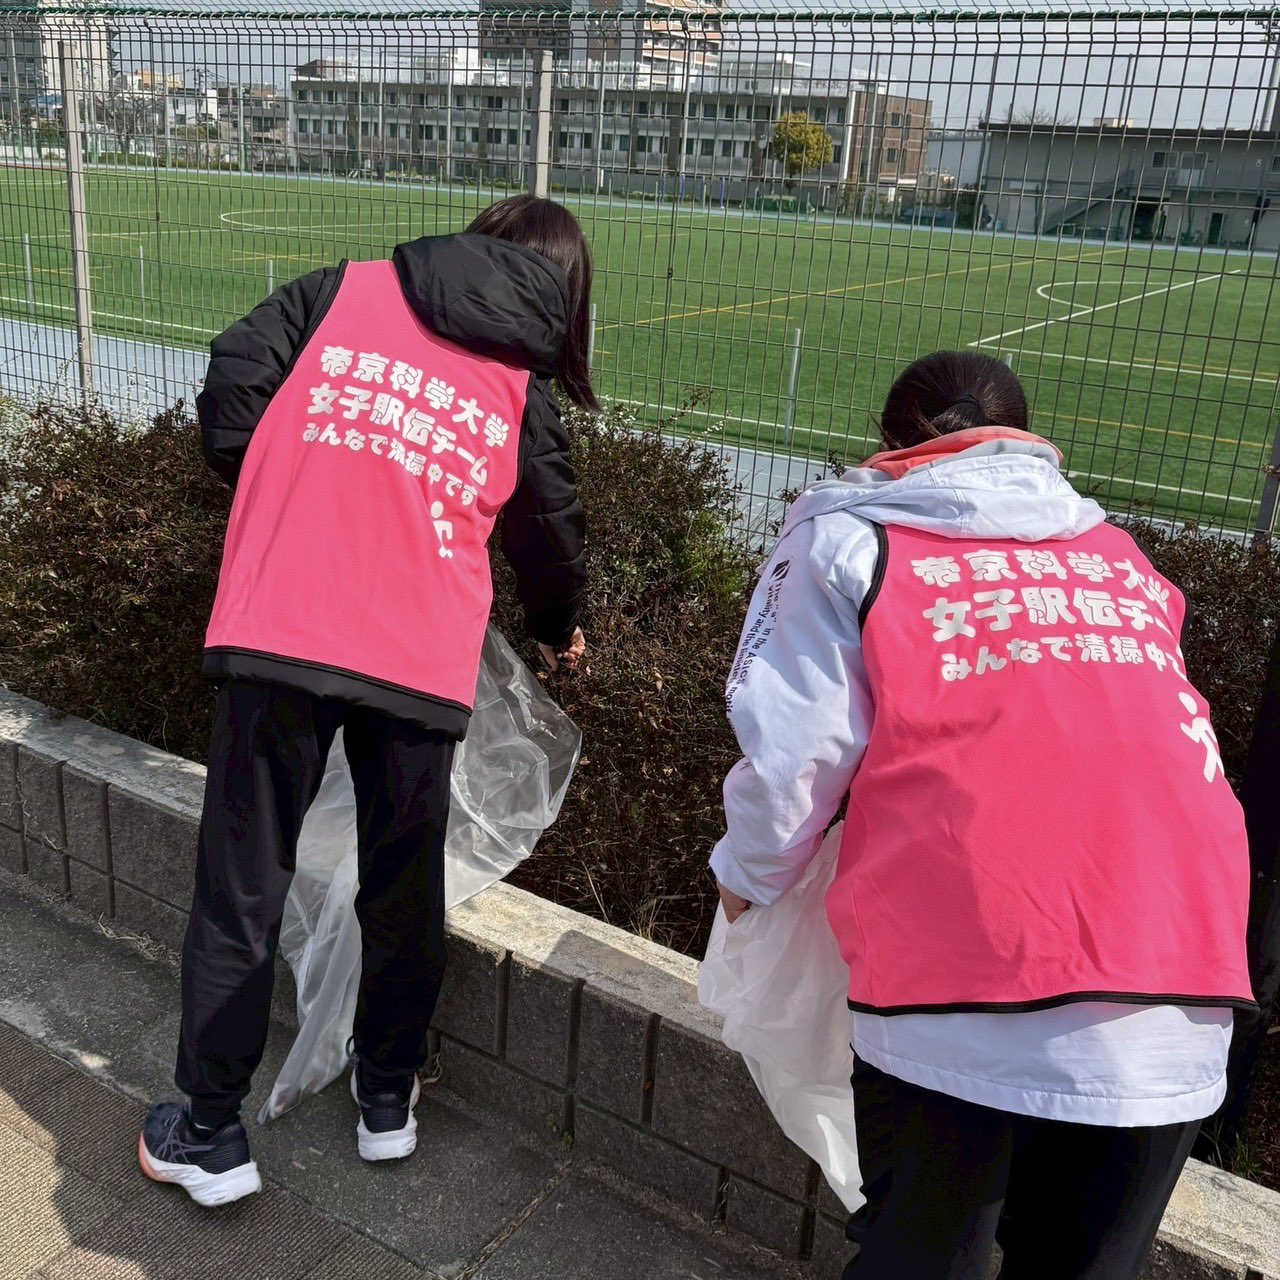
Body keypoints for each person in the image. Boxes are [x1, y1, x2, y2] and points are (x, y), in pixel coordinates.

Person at [710, 350, 1254, 1280]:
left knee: (922, 1257)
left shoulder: (854, 540)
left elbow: (793, 758)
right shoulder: (1115, 553)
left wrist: (745, 883)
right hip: (1183, 985)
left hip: (964, 985)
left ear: (886, 446)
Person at [138, 196, 593, 1207]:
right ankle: (386, 1099)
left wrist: (285, 494)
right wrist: (562, 626)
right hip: (415, 659)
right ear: (567, 292)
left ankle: (209, 1132)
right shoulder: (521, 385)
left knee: (242, 884)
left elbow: (232, 383)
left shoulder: (340, 290)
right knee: (402, 884)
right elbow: (546, 532)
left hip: (278, 630)